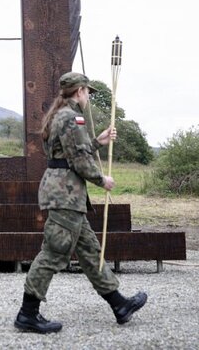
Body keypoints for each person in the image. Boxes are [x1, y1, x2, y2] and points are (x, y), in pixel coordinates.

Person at [14, 71, 147, 334]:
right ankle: (27, 314)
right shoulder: (72, 117)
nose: (88, 97)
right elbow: (77, 160)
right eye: (88, 92)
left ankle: (119, 305)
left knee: (90, 252)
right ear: (80, 91)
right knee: (54, 251)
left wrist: (98, 141)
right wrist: (101, 179)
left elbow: (72, 151)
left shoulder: (60, 114)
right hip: (65, 195)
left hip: (66, 194)